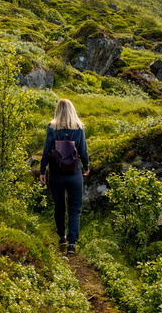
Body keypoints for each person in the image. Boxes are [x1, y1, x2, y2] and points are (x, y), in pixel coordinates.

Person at [40, 99, 89, 255]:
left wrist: (42, 171)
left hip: (56, 173)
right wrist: (86, 167)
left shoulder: (52, 128)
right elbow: (84, 152)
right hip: (74, 174)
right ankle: (72, 244)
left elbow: (46, 151)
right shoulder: (79, 128)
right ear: (72, 110)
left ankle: (62, 236)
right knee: (75, 209)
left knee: (59, 207)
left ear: (58, 111)